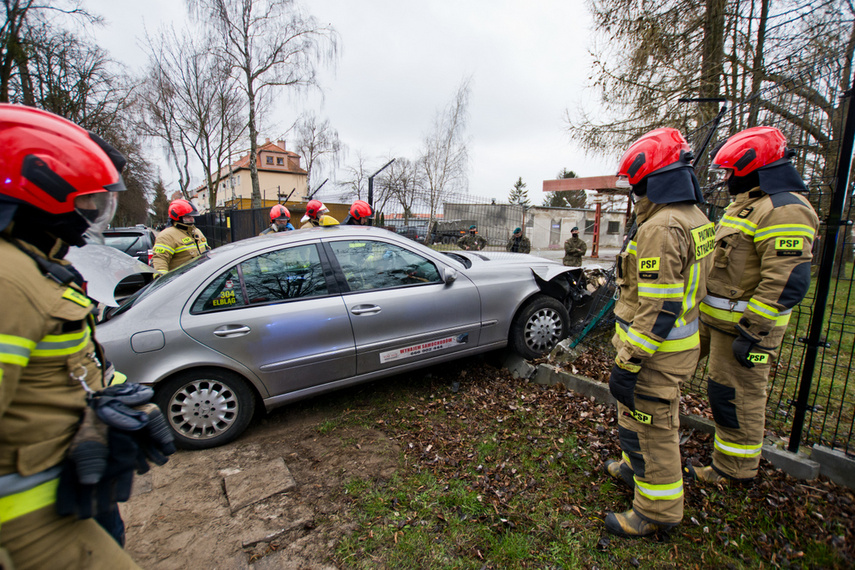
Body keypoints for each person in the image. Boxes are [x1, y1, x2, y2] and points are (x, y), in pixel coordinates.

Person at [0, 104, 174, 568]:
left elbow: (66, 365)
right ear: (42, 193)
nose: (93, 212)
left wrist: (114, 399)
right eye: (87, 200)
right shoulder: (8, 279)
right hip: (32, 522)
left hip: (72, 489)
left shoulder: (37, 267)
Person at [687, 127, 819, 486]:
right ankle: (726, 461)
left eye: (732, 171)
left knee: (736, 398)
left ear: (754, 167)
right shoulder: (745, 204)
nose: (728, 178)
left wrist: (753, 331)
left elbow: (787, 281)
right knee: (717, 390)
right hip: (716, 323)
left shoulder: (785, 210)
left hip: (744, 330)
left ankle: (734, 470)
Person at [601, 127, 714, 538]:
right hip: (673, 349)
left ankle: (656, 511)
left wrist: (629, 361)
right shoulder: (695, 217)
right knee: (636, 414)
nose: (633, 190)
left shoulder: (661, 227)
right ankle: (634, 469)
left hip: (654, 352)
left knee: (652, 426)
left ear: (652, 179)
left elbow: (660, 305)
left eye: (635, 183)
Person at [152, 199, 209, 276]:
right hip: (181, 281)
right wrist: (162, 281)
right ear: (177, 217)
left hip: (200, 278)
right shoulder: (167, 235)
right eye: (188, 216)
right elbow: (160, 260)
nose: (191, 219)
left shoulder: (197, 231)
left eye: (192, 216)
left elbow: (207, 251)